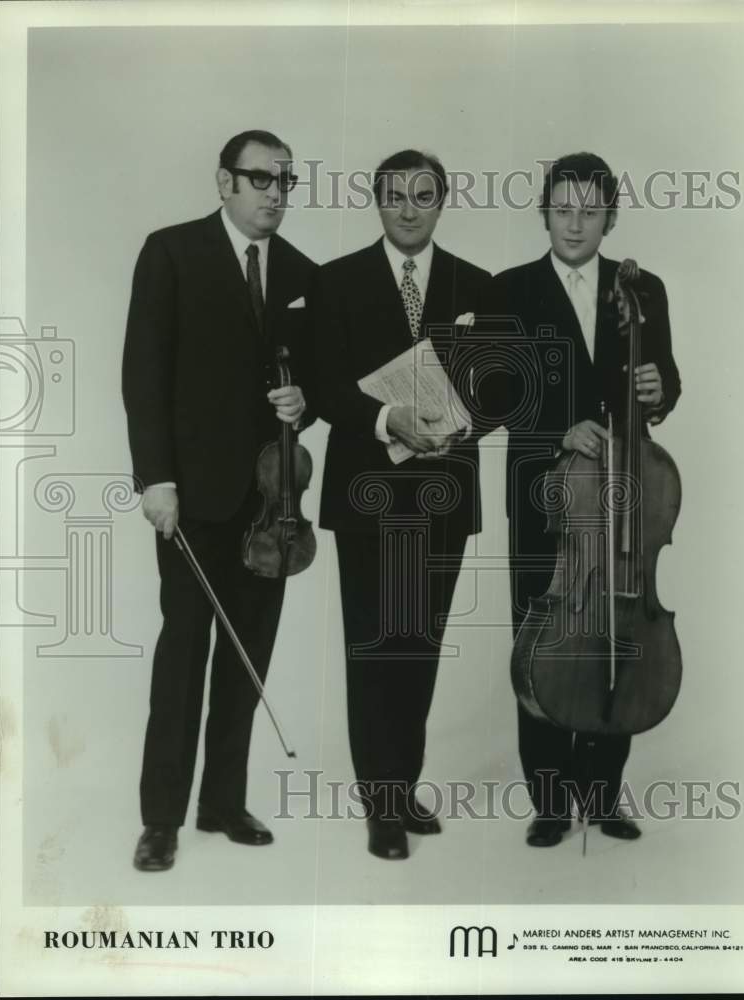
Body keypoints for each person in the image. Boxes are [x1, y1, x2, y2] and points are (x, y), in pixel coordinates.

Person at [122, 129, 317, 871]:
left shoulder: (301, 270)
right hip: (192, 497)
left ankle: (222, 802)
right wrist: (156, 479)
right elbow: (143, 374)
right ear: (223, 182)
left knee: (247, 656)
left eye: (285, 182)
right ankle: (161, 817)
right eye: (260, 179)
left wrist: (310, 400)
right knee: (183, 655)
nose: (274, 193)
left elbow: (317, 379)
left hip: (273, 499)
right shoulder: (170, 252)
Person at [477, 152, 681, 848]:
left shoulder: (641, 287)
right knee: (545, 635)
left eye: (587, 210)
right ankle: (548, 798)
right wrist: (554, 425)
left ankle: (602, 791)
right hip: (545, 489)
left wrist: (660, 389)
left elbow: (667, 380)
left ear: (608, 216)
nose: (573, 222)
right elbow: (491, 397)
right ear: (544, 211)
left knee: (618, 630)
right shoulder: (511, 290)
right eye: (561, 208)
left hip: (622, 492)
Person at [310, 149, 490, 860]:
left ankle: (403, 785)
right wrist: (387, 422)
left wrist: (462, 418)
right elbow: (325, 386)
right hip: (366, 492)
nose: (408, 208)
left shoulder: (473, 283)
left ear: (441, 201)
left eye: (422, 195)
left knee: (418, 646)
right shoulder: (336, 281)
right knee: (373, 646)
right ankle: (379, 805)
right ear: (376, 201)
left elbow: (502, 388)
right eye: (394, 196)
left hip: (444, 494)